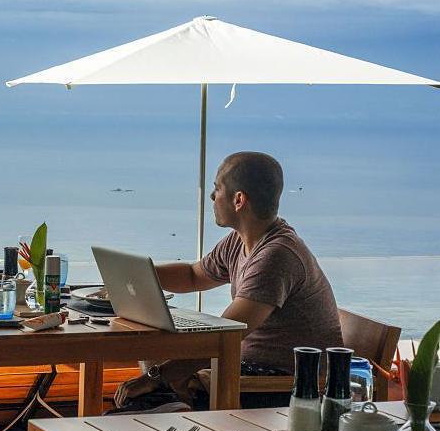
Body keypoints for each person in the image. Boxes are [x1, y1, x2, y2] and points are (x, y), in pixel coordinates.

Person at [115, 151, 343, 410]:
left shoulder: (277, 256)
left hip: (280, 384)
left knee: (149, 388)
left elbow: (227, 335)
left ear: (238, 200)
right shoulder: (241, 240)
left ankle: (170, 412)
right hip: (244, 366)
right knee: (154, 354)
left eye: (216, 188)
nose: (212, 197)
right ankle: (169, 407)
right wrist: (135, 275)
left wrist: (156, 377)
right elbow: (193, 275)